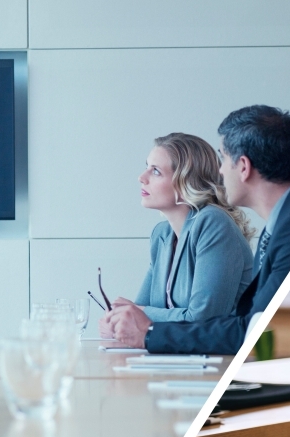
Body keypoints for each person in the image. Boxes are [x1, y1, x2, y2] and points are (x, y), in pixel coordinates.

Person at [101, 105, 290, 354]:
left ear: (243, 166)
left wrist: (147, 327)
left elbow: (251, 329)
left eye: (223, 159)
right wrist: (128, 321)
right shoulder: (283, 223)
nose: (220, 171)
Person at [104, 133, 253, 326]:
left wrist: (139, 315)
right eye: (146, 167)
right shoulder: (162, 235)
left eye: (156, 171)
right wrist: (117, 322)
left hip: (223, 355)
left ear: (186, 182)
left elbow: (204, 321)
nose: (142, 177)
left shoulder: (212, 222)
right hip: (177, 354)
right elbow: (137, 313)